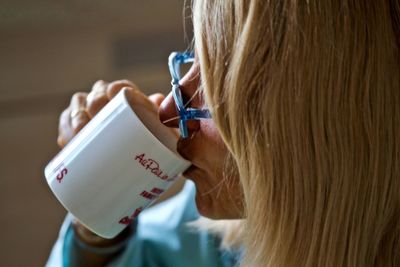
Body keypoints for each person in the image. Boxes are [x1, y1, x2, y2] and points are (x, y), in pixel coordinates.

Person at [47, 0, 400, 266]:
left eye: (221, 85)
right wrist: (97, 220)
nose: (169, 109)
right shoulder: (221, 225)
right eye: (194, 59)